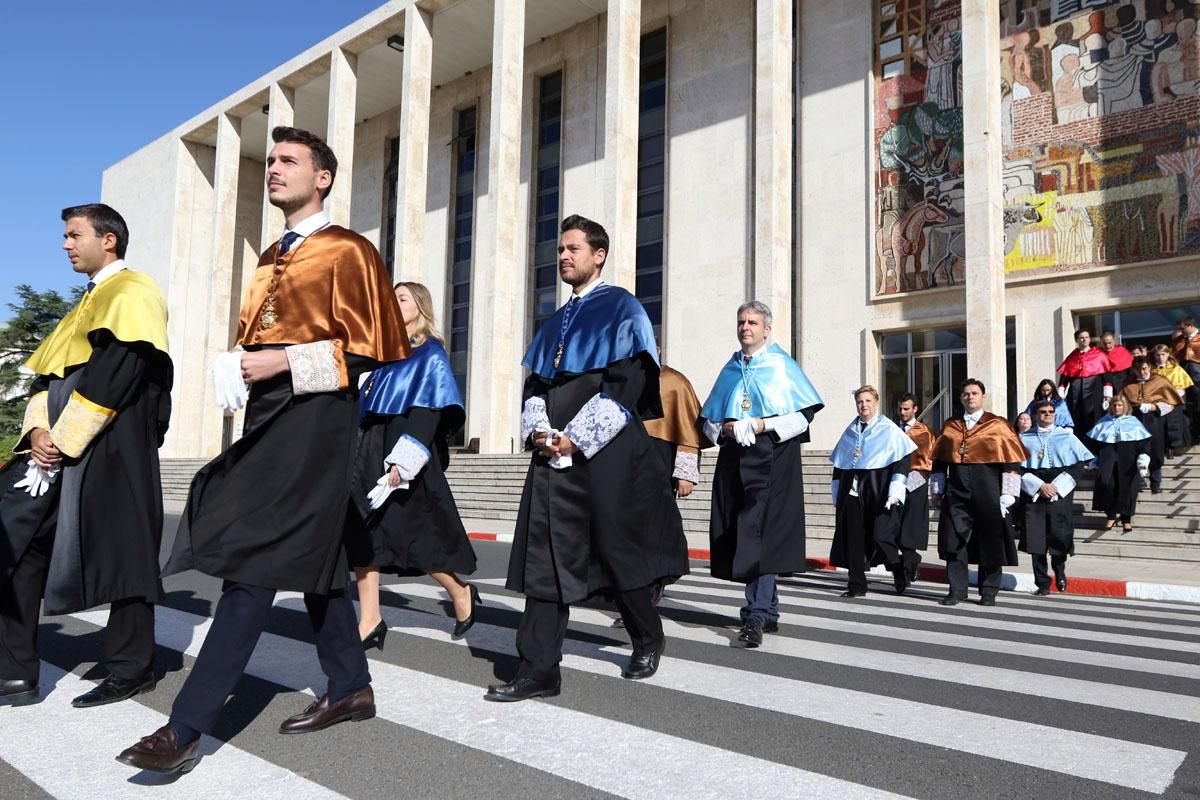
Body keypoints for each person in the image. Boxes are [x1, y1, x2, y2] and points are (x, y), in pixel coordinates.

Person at [118, 127, 409, 774]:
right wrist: (241, 365)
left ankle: (185, 727)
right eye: (271, 160)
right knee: (321, 564)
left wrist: (279, 361)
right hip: (268, 414)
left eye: (288, 161)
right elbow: (264, 341)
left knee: (253, 564)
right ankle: (351, 687)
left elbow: (366, 353)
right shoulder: (270, 254)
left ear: (322, 177)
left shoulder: (350, 250)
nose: (273, 169)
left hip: (319, 419)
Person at [485, 215, 685, 702]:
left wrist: (576, 438)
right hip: (551, 455)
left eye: (573, 248)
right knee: (545, 555)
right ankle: (539, 668)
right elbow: (538, 385)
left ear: (599, 255)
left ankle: (646, 636)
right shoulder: (554, 320)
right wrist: (538, 430)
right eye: (560, 249)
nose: (563, 256)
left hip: (607, 453)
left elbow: (627, 386)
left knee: (617, 551)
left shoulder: (623, 308)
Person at [0, 204, 171, 709]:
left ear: (109, 240)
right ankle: (15, 671)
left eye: (74, 235)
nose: (65, 244)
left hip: (112, 447)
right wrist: (37, 430)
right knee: (21, 545)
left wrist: (63, 438)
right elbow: (49, 376)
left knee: (127, 555)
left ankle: (131, 667)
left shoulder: (133, 291)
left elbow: (118, 371)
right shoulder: (86, 301)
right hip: (56, 448)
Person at [349, 281, 477, 649]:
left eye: (401, 298)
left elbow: (428, 410)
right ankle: (370, 618)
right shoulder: (384, 353)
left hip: (404, 449)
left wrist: (402, 464)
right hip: (370, 446)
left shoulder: (429, 352)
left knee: (411, 537)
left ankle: (461, 592)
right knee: (362, 533)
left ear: (420, 307)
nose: (393, 301)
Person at [700, 301, 823, 648]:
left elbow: (802, 417)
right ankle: (768, 610)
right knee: (744, 533)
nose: (745, 328)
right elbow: (708, 421)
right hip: (734, 460)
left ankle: (753, 614)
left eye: (752, 322)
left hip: (772, 459)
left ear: (767, 329)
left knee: (759, 534)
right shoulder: (730, 368)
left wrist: (761, 423)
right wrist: (724, 428)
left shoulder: (782, 366)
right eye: (741, 321)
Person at [612, 353, 705, 628]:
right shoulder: (621, 380)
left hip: (658, 463)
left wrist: (686, 473)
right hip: (623, 465)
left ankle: (649, 592)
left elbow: (688, 429)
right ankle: (633, 597)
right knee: (625, 534)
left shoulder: (674, 381)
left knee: (654, 532)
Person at [930, 379, 1029, 607]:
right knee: (954, 541)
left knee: (990, 541)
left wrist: (1009, 494)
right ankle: (957, 590)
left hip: (989, 490)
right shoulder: (950, 426)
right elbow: (938, 463)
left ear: (983, 396)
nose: (970, 397)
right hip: (957, 491)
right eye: (966, 394)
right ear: (961, 398)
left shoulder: (999, 425)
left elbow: (1012, 461)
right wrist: (937, 489)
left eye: (974, 393)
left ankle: (989, 591)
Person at [829, 386, 915, 597]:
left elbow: (902, 460)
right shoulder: (850, 431)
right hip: (852, 493)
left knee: (880, 537)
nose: (864, 405)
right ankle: (856, 585)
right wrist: (836, 488)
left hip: (879, 492)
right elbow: (840, 463)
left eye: (868, 401)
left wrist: (896, 487)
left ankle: (898, 569)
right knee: (854, 540)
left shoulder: (889, 429)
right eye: (860, 401)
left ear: (876, 402)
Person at [1017, 401, 1093, 596]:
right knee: (1036, 538)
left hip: (1060, 489)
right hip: (1034, 490)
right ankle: (1042, 582)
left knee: (1059, 534)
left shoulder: (1067, 437)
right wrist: (1039, 486)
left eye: (1051, 411)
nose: (1047, 414)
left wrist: (1056, 487)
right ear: (1035, 415)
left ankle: (1059, 572)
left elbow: (1077, 466)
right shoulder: (1024, 438)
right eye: (1043, 412)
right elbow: (1017, 468)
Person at [1087, 395, 1152, 532]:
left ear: (1125, 406)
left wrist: (1142, 460)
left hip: (1127, 456)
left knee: (1127, 487)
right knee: (1107, 484)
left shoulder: (1134, 422)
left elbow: (1143, 444)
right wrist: (1093, 460)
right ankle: (1110, 515)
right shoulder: (1103, 422)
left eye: (1120, 405)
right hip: (1108, 456)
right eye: (1114, 405)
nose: (1117, 408)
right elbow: (1093, 444)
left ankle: (1126, 518)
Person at [1120, 357, 1182, 494]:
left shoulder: (1160, 381)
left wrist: (1154, 407)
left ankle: (1155, 482)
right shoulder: (1127, 383)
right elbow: (1121, 401)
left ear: (1149, 367)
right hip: (1133, 419)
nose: (1142, 372)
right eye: (1138, 369)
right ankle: (1139, 481)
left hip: (1154, 419)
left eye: (1144, 369)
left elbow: (1171, 404)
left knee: (1156, 450)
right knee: (1135, 450)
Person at [894, 393, 935, 587]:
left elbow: (926, 463)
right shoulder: (892, 429)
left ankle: (908, 566)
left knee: (908, 532)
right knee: (893, 530)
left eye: (906, 409)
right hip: (893, 486)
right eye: (900, 408)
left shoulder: (923, 432)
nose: (903, 412)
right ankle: (907, 566)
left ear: (915, 409)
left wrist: (905, 485)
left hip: (914, 485)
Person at [1056, 328, 1113, 437]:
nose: (1084, 340)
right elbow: (1064, 377)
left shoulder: (1099, 355)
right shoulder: (1072, 357)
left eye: (1087, 337)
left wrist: (1107, 395)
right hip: (1075, 395)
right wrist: (1061, 389)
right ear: (1077, 340)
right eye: (1081, 338)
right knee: (1076, 420)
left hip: (1094, 393)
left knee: (1094, 420)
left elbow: (1107, 378)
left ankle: (1094, 450)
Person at [1149, 343, 1195, 455]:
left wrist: (1171, 399)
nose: (1160, 357)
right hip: (1157, 402)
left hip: (1173, 401)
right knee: (1160, 425)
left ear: (1168, 354)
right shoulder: (1151, 369)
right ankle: (1163, 447)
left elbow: (1181, 387)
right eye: (1158, 355)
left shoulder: (1175, 369)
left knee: (1174, 424)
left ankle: (1174, 447)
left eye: (1163, 354)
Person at [1172, 315, 1200, 439]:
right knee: (1187, 407)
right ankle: (1191, 435)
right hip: (1183, 378)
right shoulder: (1179, 340)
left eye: (1183, 329)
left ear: (1190, 326)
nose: (1181, 331)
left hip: (1198, 378)